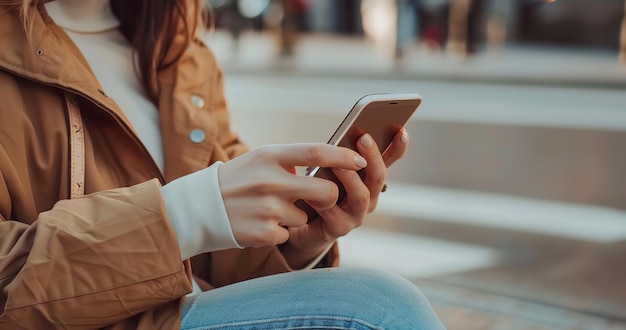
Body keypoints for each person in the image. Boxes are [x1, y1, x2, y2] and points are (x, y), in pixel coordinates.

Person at [0, 0, 446, 329]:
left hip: (177, 310)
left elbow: (215, 259)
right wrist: (188, 214)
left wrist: (301, 243)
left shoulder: (181, 50)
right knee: (378, 310)